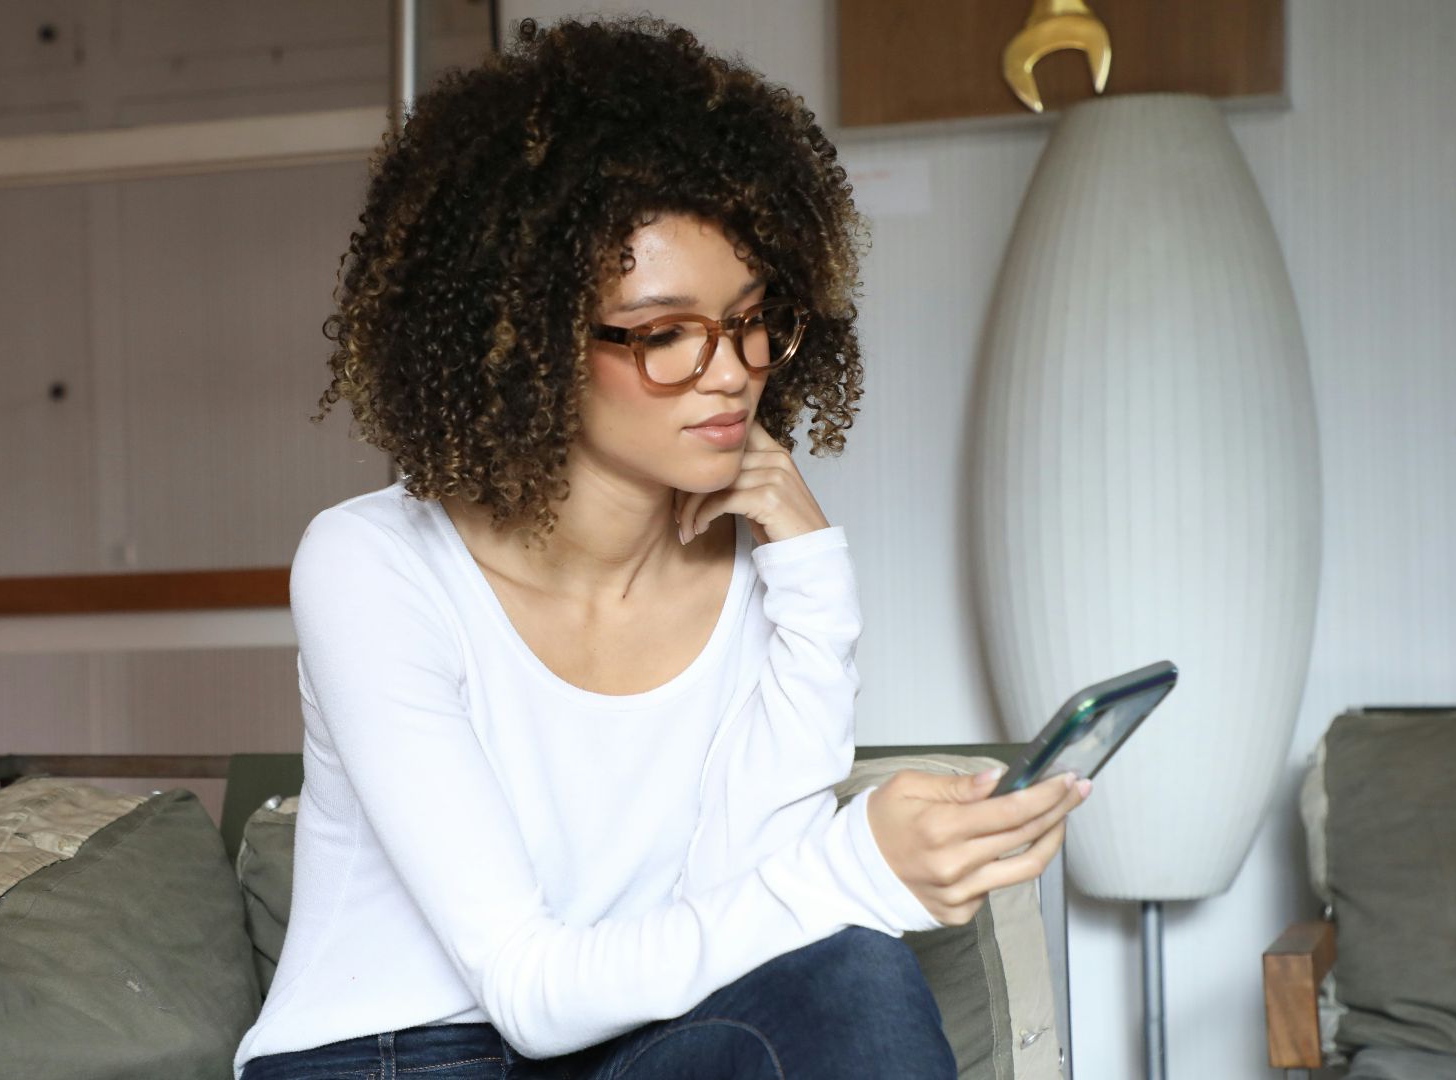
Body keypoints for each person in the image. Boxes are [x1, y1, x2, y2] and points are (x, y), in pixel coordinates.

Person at [233, 15, 1089, 1080]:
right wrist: (861, 861)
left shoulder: (748, 570)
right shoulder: (371, 565)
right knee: (846, 925)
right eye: (665, 333)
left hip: (616, 1045)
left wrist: (816, 579)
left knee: (853, 972)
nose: (730, 372)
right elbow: (531, 992)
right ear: (530, 338)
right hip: (392, 1058)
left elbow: (743, 914)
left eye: (749, 320)